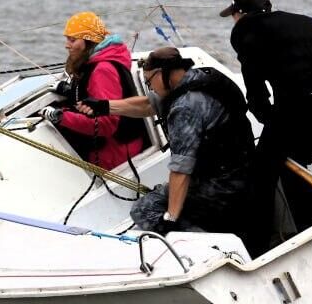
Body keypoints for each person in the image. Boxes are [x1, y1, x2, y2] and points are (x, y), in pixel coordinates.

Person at [78, 47, 254, 247]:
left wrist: (170, 219)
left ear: (162, 73)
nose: (150, 87)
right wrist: (104, 106)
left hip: (222, 186)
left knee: (145, 210)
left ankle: (212, 244)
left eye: (149, 80)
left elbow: (181, 170)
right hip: (242, 169)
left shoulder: (185, 107)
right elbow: (147, 105)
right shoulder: (198, 79)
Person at [221, 0, 312, 241]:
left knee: (262, 171)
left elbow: (255, 87)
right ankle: (311, 233)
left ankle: (256, 243)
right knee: (294, 164)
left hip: (296, 104)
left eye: (233, 16)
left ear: (239, 13)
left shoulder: (246, 31)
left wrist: (268, 121)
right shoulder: (303, 21)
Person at [41, 11, 148, 171]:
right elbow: (96, 99)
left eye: (72, 39)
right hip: (118, 148)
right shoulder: (105, 59)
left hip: (114, 155)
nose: (67, 44)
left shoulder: (102, 71)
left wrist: (60, 116)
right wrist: (69, 90)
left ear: (88, 41)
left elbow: (107, 125)